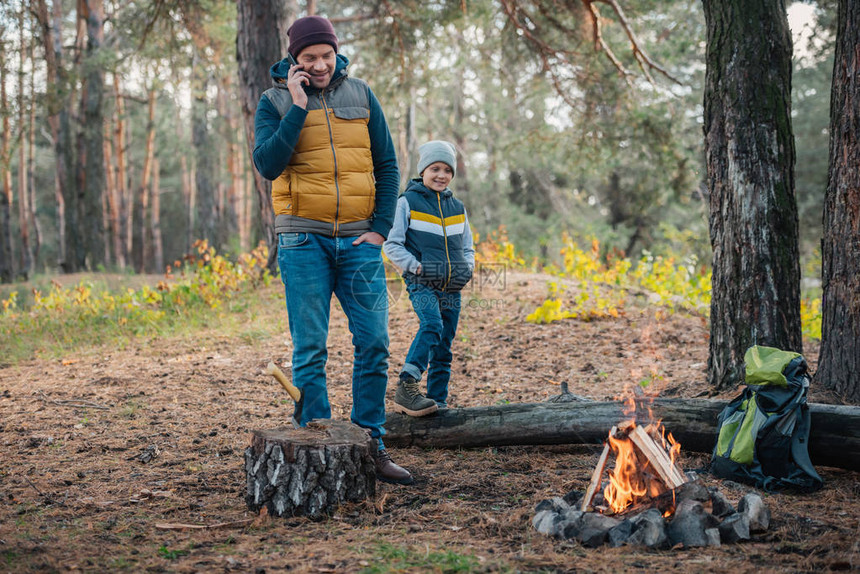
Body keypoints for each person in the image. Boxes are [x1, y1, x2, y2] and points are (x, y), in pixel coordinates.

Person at [252, 15, 412, 485]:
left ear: (336, 53)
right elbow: (267, 163)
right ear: (294, 61)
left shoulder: (361, 94)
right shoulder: (274, 100)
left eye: (326, 56)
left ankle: (371, 445)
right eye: (309, 58)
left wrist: (382, 227)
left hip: (360, 241)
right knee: (310, 350)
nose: (320, 65)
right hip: (303, 240)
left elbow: (386, 162)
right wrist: (297, 106)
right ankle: (318, 445)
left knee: (375, 342)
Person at [383, 141, 475, 416]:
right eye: (435, 168)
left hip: (452, 285)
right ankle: (407, 386)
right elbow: (392, 244)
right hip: (421, 281)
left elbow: (468, 246)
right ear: (423, 170)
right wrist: (417, 267)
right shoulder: (407, 202)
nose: (441, 175)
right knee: (432, 324)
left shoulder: (457, 207)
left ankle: (438, 401)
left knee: (444, 344)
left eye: (447, 170)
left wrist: (467, 268)